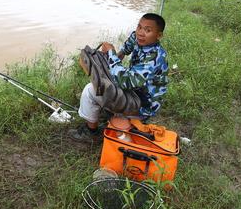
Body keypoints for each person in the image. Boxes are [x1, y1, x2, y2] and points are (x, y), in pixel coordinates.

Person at [69, 13, 169, 143]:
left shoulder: (155, 57)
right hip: (135, 91)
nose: (141, 33)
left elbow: (125, 81)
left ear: (159, 35)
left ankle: (91, 132)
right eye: (139, 27)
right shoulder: (138, 37)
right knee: (103, 80)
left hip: (143, 105)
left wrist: (111, 53)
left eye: (148, 30)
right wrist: (116, 56)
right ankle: (113, 112)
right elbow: (126, 48)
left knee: (91, 90)